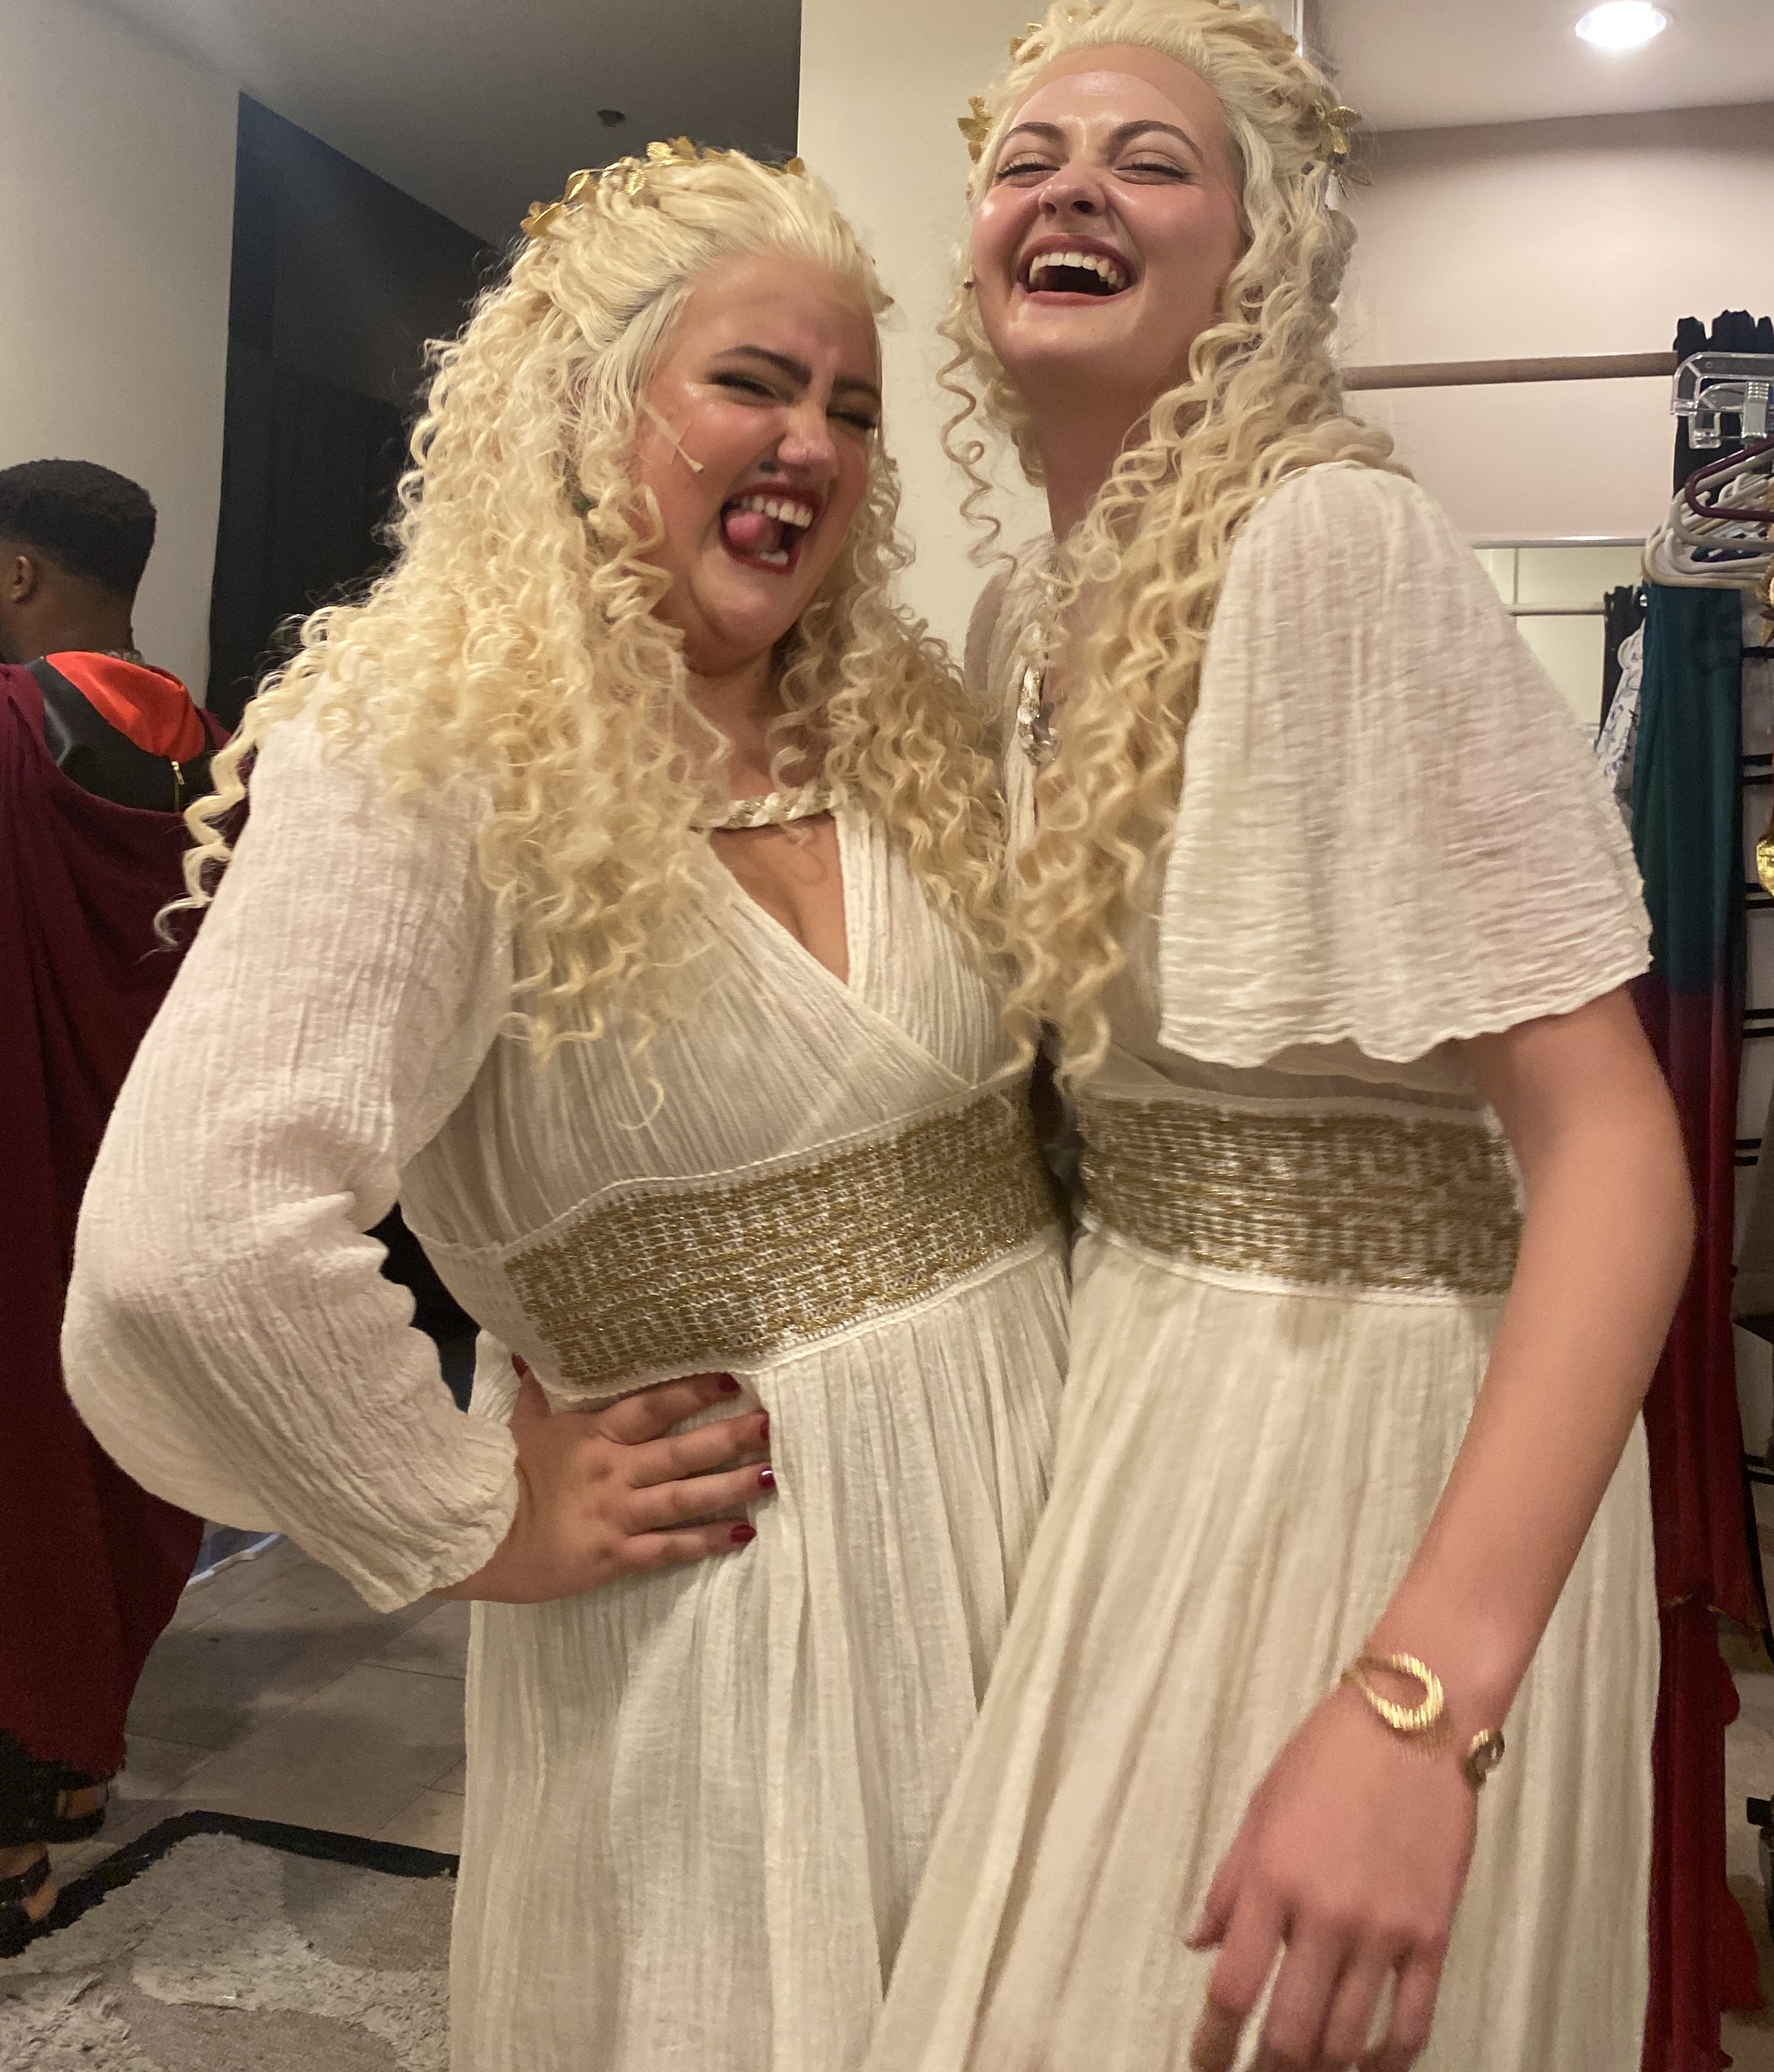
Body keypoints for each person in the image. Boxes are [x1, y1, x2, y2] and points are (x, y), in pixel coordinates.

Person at [63, 146, 1069, 2072]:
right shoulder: (424, 746)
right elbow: (188, 1240)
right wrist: (465, 1517)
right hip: (737, 1623)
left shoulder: (907, 728)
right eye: (753, 383)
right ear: (588, 406)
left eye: (852, 407)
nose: (814, 443)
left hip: (1033, 1523)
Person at [865, 0, 1693, 2072]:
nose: (1073, 184)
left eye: (1152, 158)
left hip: (1370, 1443)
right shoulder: (1018, 623)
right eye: (1025, 156)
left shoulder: (1329, 546)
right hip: (1140, 1406)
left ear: (1256, 259)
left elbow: (1610, 1148)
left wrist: (1419, 1698)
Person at [0, 459, 219, 1954]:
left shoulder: (11, 729)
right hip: (160, 1176)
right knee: (126, 1447)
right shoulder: (231, 759)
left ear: (19, 574)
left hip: (22, 1152)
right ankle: (69, 1774)